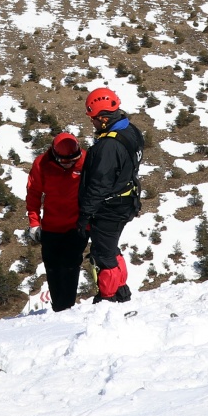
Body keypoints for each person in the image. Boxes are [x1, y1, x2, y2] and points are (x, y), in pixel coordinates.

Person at [77, 88, 146, 304]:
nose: (93, 124)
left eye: (95, 119)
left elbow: (99, 185)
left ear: (104, 119)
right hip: (125, 199)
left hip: (111, 207)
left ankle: (108, 297)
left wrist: (85, 214)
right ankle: (121, 289)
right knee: (110, 247)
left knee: (102, 253)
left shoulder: (107, 146)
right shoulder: (130, 130)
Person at [25, 132, 88, 311]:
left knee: (70, 266)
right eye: (64, 161)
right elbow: (34, 194)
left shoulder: (86, 160)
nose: (68, 164)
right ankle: (58, 307)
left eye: (72, 161)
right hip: (51, 226)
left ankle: (65, 308)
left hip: (77, 225)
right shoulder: (42, 164)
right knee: (52, 267)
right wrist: (34, 222)